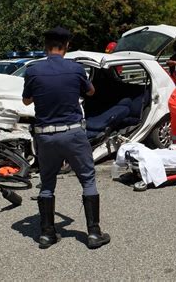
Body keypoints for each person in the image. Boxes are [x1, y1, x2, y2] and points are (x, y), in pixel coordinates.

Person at [22, 26, 110, 249]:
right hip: (73, 133)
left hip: (46, 137)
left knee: (47, 184)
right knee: (88, 179)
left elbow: (26, 101)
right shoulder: (76, 68)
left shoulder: (33, 70)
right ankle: (93, 234)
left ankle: (46, 234)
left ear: (45, 46)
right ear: (67, 46)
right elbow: (90, 92)